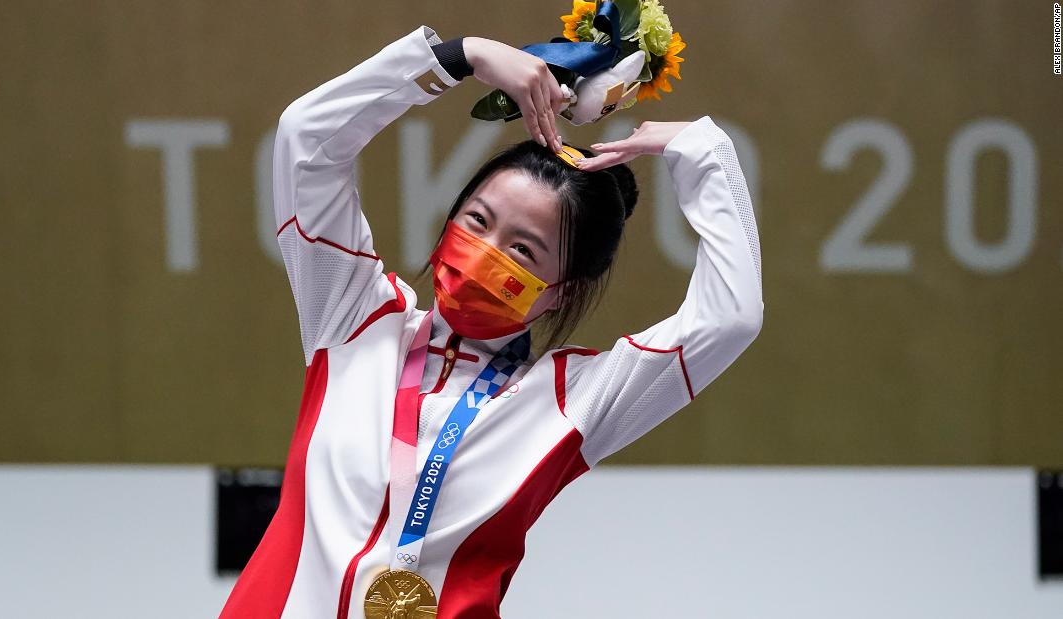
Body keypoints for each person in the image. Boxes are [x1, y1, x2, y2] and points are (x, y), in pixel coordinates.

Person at [220, 25, 763, 619]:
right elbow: (307, 142)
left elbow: (730, 318)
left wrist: (703, 153)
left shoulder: (568, 403)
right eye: (477, 221)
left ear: (562, 292)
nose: (484, 252)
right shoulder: (356, 318)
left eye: (523, 251)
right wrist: (457, 58)